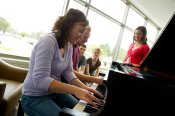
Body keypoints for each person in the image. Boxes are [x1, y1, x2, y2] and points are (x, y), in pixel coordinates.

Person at [20, 8, 103, 116]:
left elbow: (68, 72)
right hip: (34, 97)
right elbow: (40, 80)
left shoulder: (68, 45)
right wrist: (75, 90)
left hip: (53, 93)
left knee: (79, 109)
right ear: (69, 25)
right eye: (80, 31)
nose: (81, 36)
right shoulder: (48, 41)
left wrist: (86, 88)